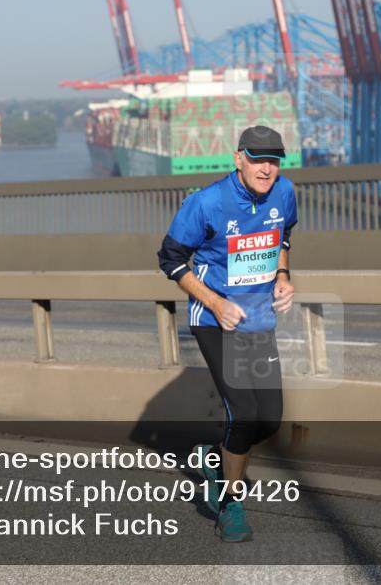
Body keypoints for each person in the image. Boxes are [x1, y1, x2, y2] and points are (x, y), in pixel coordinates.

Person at [157, 125, 297, 543]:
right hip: (214, 319)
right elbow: (170, 258)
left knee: (269, 420)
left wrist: (283, 276)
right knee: (244, 409)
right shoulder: (207, 203)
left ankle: (214, 459)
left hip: (258, 319)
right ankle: (230, 505)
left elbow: (283, 236)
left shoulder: (285, 192)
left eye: (274, 160)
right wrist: (216, 302)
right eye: (257, 159)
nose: (266, 168)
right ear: (238, 158)